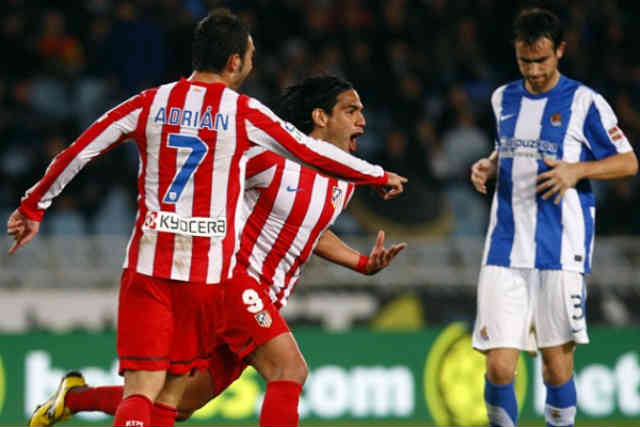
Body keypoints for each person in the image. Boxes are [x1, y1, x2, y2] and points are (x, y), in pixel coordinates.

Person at [8, 8, 407, 427]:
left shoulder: (339, 180)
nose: (362, 119)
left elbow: (308, 231)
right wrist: (378, 176)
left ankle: (76, 398)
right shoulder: (261, 143)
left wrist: (362, 263)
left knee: (172, 400)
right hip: (228, 279)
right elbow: (287, 154)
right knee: (289, 370)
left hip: (204, 277)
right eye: (351, 110)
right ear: (234, 61)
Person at [469, 8, 637, 427]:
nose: (535, 69)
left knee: (556, 370)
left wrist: (577, 170)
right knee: (499, 368)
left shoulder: (584, 102)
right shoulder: (502, 97)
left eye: (542, 60)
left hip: (561, 251)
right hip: (504, 248)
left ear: (560, 51)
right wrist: (490, 164)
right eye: (526, 61)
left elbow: (628, 162)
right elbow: (507, 145)